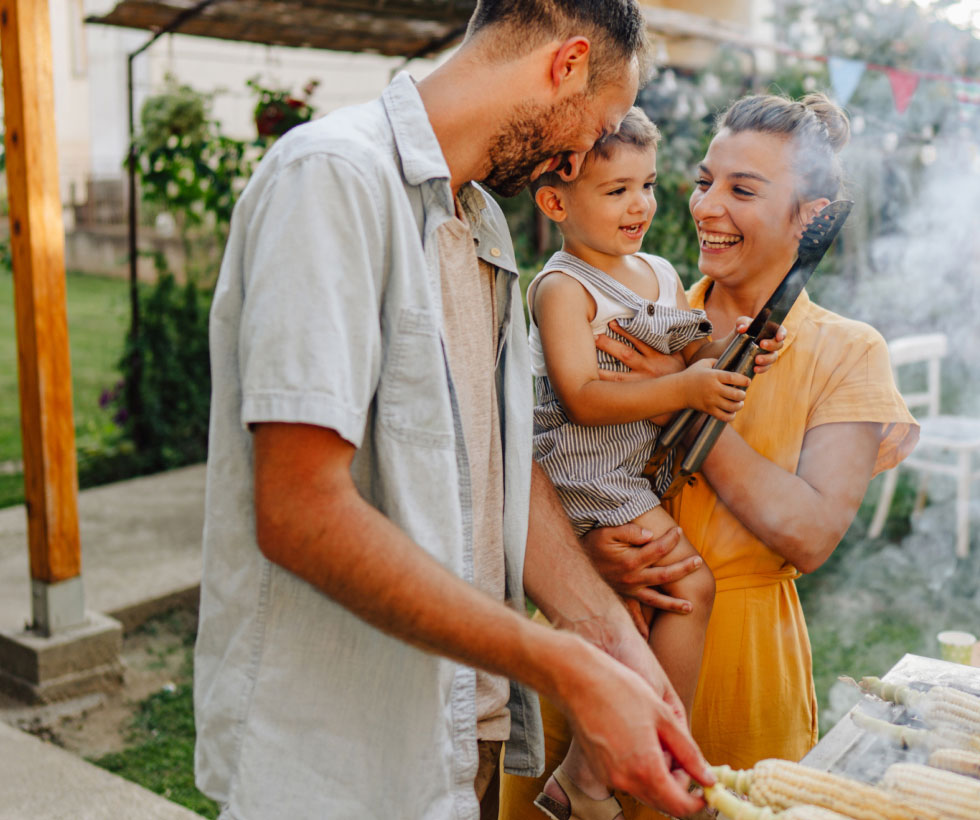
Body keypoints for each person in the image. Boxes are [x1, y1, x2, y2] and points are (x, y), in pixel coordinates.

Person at [193, 2, 718, 819]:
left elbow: (494, 463)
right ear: (567, 63)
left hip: (461, 729)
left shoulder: (479, 224)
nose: (581, 158)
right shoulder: (333, 176)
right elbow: (299, 508)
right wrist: (565, 666)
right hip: (339, 751)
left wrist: (605, 635)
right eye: (600, 124)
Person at [499, 93, 919, 820]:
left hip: (739, 679)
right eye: (703, 181)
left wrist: (679, 398)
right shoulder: (629, 310)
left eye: (742, 190)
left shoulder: (848, 353)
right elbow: (535, 455)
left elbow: (810, 533)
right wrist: (581, 562)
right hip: (590, 644)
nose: (705, 207)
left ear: (810, 217)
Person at [523, 108, 784, 820]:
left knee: (639, 611)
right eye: (616, 191)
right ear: (555, 202)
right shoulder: (562, 288)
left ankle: (584, 773)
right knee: (687, 589)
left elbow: (692, 347)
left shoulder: (660, 272)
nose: (640, 204)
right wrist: (685, 387)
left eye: (648, 185)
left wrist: (734, 349)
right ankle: (659, 744)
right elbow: (580, 397)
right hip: (587, 472)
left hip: (634, 472)